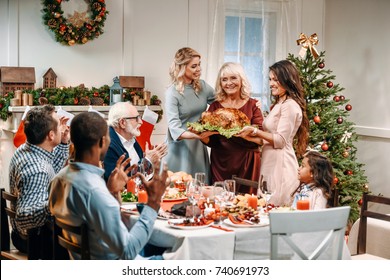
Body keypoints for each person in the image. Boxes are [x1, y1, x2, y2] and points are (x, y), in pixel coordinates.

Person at [49, 112, 168, 260]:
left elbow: (97, 221)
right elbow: (128, 251)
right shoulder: (95, 191)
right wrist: (153, 203)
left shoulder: (58, 179)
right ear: (101, 142)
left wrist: (112, 192)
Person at [237, 60, 309, 206]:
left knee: (275, 209)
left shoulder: (290, 106)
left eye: (275, 79)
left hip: (281, 164)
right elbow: (268, 138)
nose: (271, 84)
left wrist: (256, 131)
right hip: (270, 161)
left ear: (287, 79)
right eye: (270, 79)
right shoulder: (280, 103)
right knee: (266, 207)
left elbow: (280, 141)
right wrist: (249, 136)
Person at [9, 104, 70, 258]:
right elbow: (24, 216)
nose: (63, 128)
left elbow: (50, 170)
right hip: (32, 240)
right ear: (50, 135)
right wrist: (56, 202)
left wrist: (63, 142)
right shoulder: (37, 170)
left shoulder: (26, 149)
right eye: (59, 125)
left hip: (27, 235)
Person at [201, 62, 263, 193]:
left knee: (246, 205)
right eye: (224, 79)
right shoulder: (215, 107)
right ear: (220, 83)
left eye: (233, 78)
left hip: (248, 163)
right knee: (220, 203)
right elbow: (212, 141)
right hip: (221, 162)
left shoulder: (253, 105)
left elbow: (261, 139)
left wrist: (245, 134)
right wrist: (202, 136)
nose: (229, 83)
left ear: (241, 80)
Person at [164, 47, 215, 184]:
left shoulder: (203, 87)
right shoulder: (172, 93)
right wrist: (198, 135)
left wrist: (250, 102)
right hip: (178, 148)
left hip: (198, 146)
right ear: (181, 67)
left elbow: (223, 102)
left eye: (199, 65)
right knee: (177, 192)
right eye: (194, 66)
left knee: (199, 190)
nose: (199, 69)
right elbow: (174, 128)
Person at [103, 101, 167, 182]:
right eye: (136, 118)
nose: (141, 122)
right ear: (122, 123)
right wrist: (148, 160)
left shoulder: (131, 139)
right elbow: (120, 182)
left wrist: (151, 162)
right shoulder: (109, 145)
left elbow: (141, 175)